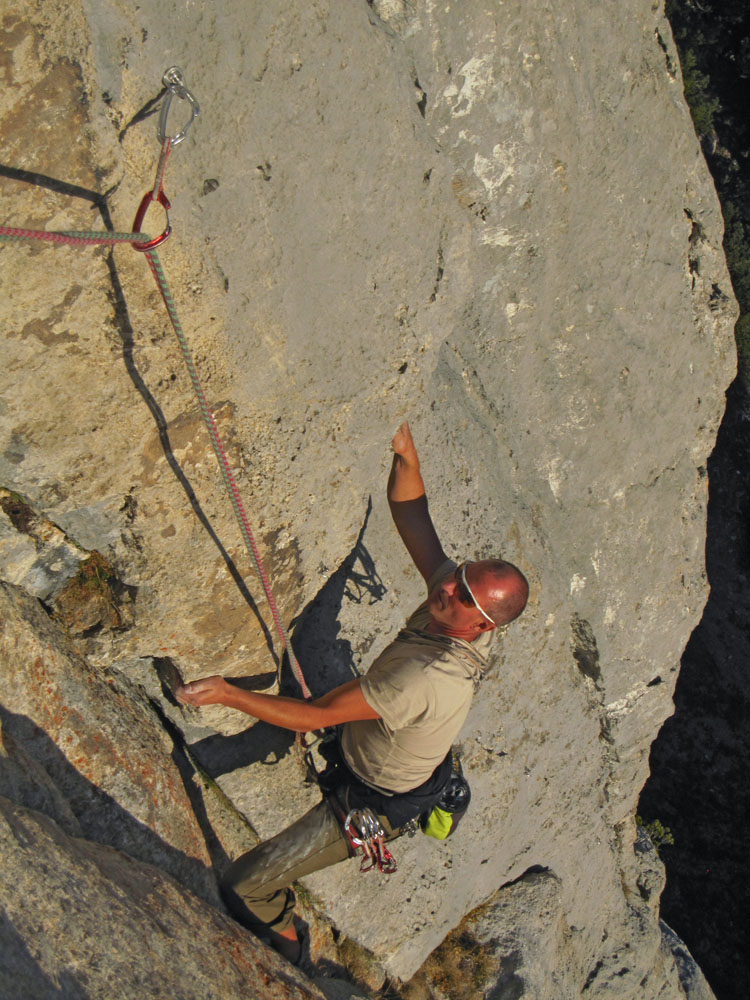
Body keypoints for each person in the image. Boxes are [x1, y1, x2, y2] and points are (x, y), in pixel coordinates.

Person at [177, 421, 528, 962]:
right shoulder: (454, 607)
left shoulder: (429, 676)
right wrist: (406, 456)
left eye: (462, 595)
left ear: (483, 626)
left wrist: (227, 693)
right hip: (380, 746)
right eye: (458, 574)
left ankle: (289, 943)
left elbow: (312, 715)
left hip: (372, 801)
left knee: (246, 884)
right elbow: (413, 517)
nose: (447, 586)